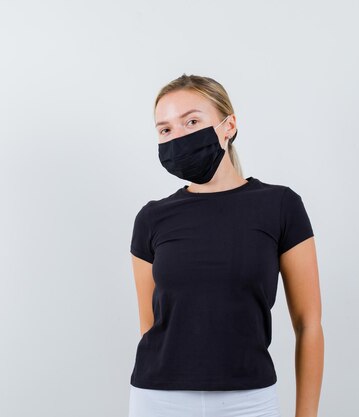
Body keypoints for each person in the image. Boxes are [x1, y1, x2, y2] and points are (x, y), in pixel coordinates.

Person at [128, 74, 324, 417]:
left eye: (191, 121)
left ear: (228, 125)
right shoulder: (151, 218)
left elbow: (308, 324)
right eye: (165, 129)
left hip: (249, 400)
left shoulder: (280, 206)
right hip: (158, 398)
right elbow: (150, 324)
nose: (178, 137)